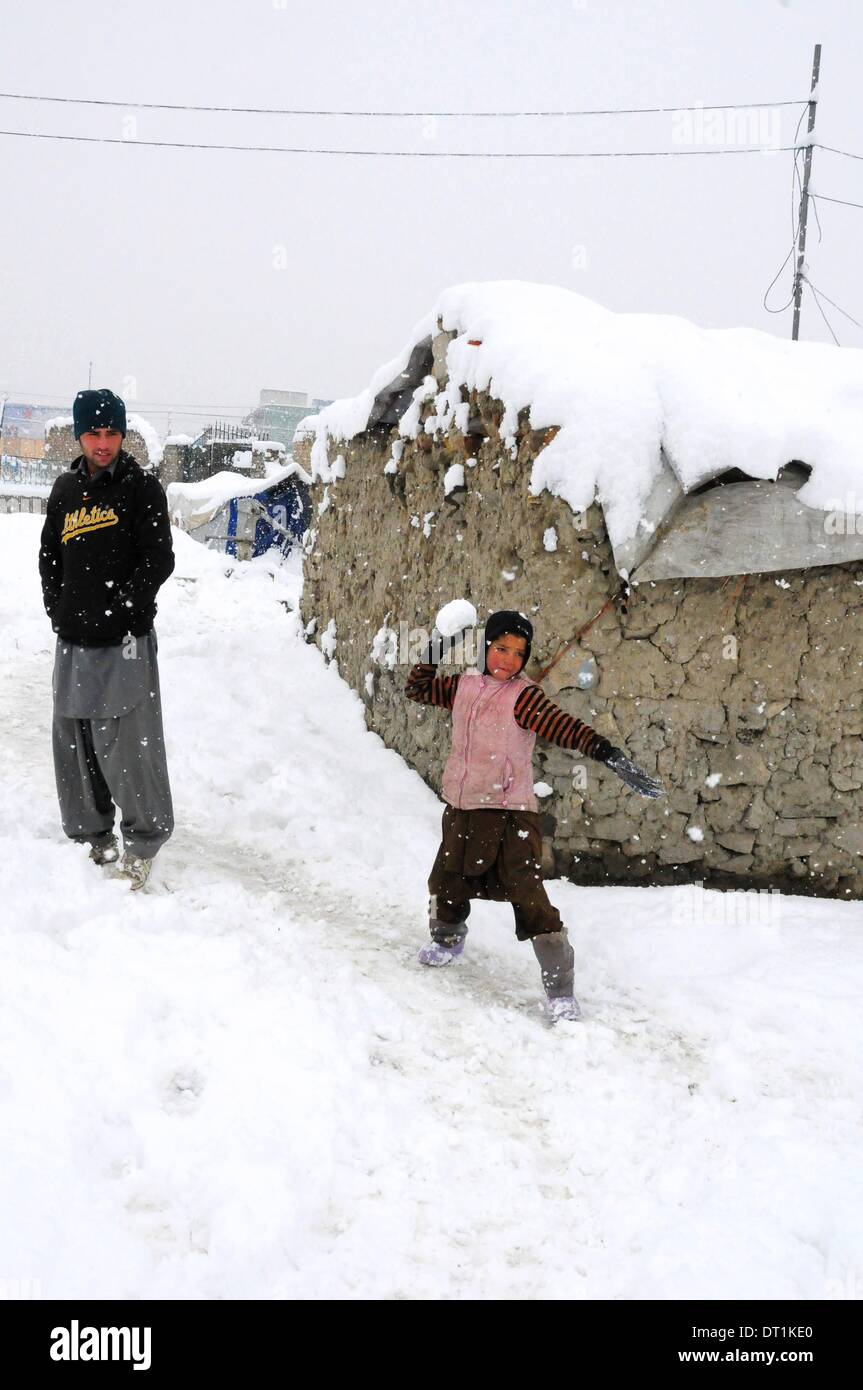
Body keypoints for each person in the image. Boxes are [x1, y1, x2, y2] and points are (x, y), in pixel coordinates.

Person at [405, 610, 663, 1022]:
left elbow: (566, 727)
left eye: (517, 653)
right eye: (500, 648)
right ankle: (448, 939)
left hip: (509, 814)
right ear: (486, 647)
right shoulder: (462, 687)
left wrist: (608, 754)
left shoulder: (524, 698)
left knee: (527, 896)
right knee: (447, 878)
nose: (507, 660)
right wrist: (437, 647)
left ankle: (560, 989)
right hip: (463, 805)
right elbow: (417, 688)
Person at [38, 388, 175, 890]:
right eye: (94, 433)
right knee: (74, 741)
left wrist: (120, 610)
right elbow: (49, 556)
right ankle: (91, 838)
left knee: (128, 744)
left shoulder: (141, 490)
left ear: (123, 434)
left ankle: (143, 841)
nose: (103, 442)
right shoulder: (64, 491)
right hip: (74, 641)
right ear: (80, 435)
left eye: (112, 432)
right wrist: (59, 608)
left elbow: (158, 559)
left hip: (125, 641)